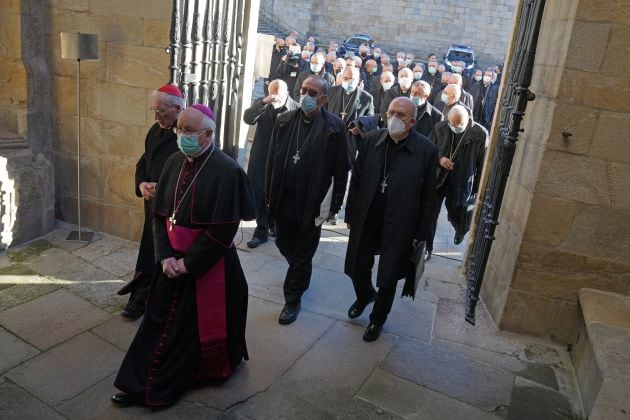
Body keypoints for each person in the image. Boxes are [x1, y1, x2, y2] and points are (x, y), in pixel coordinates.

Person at [112, 104, 257, 407]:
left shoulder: (227, 171)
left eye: (189, 131)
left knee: (186, 332)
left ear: (208, 134)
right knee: (156, 322)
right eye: (180, 129)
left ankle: (162, 387)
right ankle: (136, 383)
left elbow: (223, 230)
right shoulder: (173, 161)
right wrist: (165, 257)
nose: (182, 135)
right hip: (170, 263)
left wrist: (187, 264)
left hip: (207, 266)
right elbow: (159, 215)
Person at [344, 97, 437, 342]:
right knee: (355, 266)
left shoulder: (426, 150)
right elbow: (357, 180)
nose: (394, 118)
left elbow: (429, 195)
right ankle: (364, 295)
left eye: (401, 115)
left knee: (388, 276)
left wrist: (421, 232)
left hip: (401, 223)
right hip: (368, 216)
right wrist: (351, 213)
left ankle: (377, 319)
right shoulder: (372, 140)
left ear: (413, 121)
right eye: (391, 113)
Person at [265, 76, 351, 325]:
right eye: (303, 90)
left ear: (323, 98)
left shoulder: (335, 127)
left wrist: (334, 206)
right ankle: (300, 271)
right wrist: (268, 195)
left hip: (312, 201)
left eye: (312, 92)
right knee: (283, 243)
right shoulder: (284, 120)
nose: (305, 95)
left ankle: (293, 299)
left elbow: (341, 170)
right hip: (284, 197)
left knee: (303, 251)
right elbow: (271, 161)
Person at [116, 85, 184, 319]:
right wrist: (142, 184)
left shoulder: (189, 133)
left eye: (161, 111)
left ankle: (158, 300)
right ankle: (141, 295)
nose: (156, 116)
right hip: (153, 203)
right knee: (149, 249)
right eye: (153, 110)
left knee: (168, 253)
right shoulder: (155, 131)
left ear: (177, 108)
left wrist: (164, 188)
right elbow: (143, 162)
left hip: (177, 207)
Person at [426, 105, 487, 259]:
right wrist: (440, 158)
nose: (454, 127)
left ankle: (461, 229)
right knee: (430, 215)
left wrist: (477, 188)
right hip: (439, 179)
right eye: (452, 123)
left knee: (456, 213)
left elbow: (482, 162)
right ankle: (427, 247)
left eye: (458, 124)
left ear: (467, 121)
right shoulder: (440, 127)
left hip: (461, 180)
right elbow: (429, 149)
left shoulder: (479, 133)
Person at [243, 79, 299, 249]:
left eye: (278, 92)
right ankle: (261, 231)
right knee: (261, 191)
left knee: (279, 193)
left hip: (283, 158)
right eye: (272, 92)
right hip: (262, 157)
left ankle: (273, 224)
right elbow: (248, 118)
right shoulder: (264, 104)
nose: (275, 96)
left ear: (287, 92)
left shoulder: (296, 108)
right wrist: (264, 101)